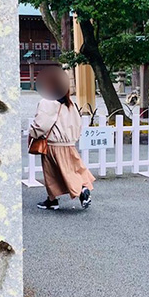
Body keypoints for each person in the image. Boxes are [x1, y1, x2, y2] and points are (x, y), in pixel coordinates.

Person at [29, 66, 94, 211]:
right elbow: (78, 124)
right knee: (72, 169)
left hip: (53, 144)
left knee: (54, 173)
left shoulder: (49, 102)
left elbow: (42, 124)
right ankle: (60, 196)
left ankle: (75, 192)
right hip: (69, 144)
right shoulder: (69, 103)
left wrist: (32, 133)